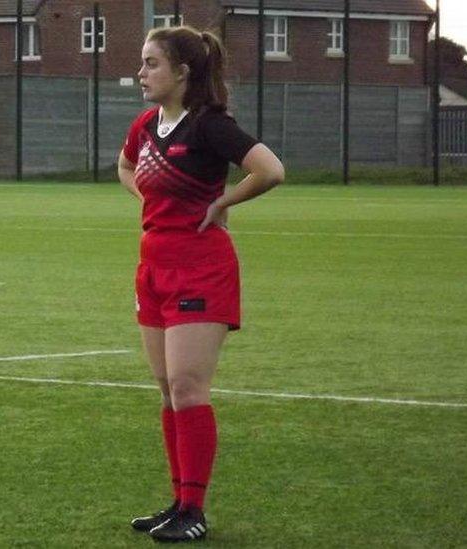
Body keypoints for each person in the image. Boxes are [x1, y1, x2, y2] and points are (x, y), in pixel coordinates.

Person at [118, 25, 284, 542]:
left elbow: (270, 170)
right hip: (153, 267)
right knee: (168, 389)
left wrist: (221, 203)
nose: (141, 73)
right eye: (142, 63)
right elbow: (125, 166)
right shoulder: (146, 125)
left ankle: (195, 510)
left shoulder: (210, 126)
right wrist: (148, 200)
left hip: (201, 268)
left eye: (151, 63)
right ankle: (177, 503)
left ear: (182, 72)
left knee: (189, 387)